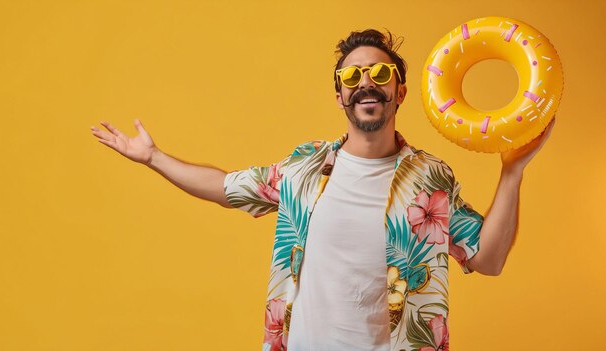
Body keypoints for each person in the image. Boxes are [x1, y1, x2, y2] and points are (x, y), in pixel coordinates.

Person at [90, 29, 554, 351]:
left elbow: (488, 260)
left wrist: (512, 173)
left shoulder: (430, 178)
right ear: (339, 96)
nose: (365, 84)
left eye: (380, 74)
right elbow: (225, 186)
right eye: (351, 77)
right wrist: (153, 157)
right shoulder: (306, 167)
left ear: (402, 91)